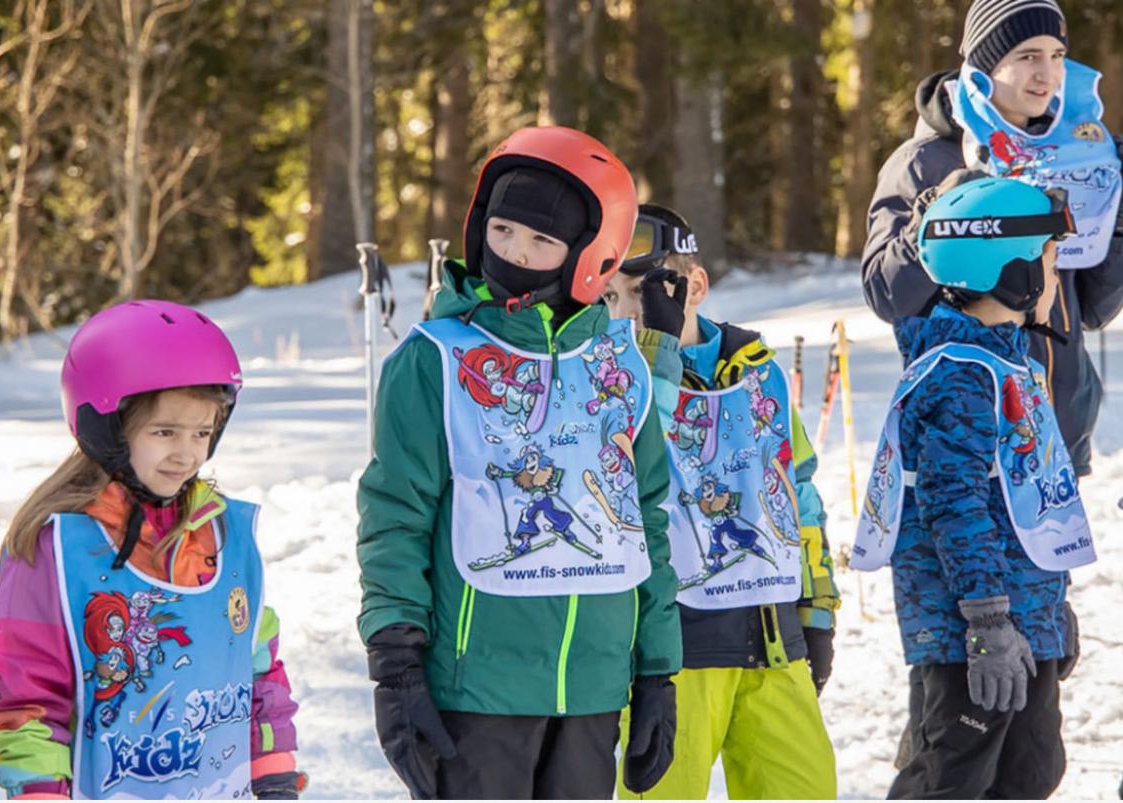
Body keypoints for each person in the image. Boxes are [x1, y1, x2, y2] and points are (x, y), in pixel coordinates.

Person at [356, 127, 682, 799]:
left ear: (589, 257)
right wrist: (396, 664)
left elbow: (647, 518)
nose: (515, 254)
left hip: (593, 686)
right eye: (503, 230)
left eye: (542, 242)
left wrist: (657, 670)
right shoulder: (434, 359)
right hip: (478, 688)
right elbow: (395, 514)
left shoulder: (619, 368)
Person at [860, 0, 1114, 766]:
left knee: (1030, 708)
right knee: (964, 695)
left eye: (1054, 55)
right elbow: (883, 288)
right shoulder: (927, 159)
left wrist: (1110, 211)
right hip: (965, 423)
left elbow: (1093, 303)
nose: (1045, 73)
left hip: (1046, 429)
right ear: (983, 66)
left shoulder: (1078, 147)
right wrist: (956, 213)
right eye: (1025, 55)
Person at [0, 301, 304, 800]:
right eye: (164, 432)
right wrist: (39, 791)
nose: (187, 453)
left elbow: (257, 668)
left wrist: (274, 767)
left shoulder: (224, 537)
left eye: (202, 432)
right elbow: (27, 699)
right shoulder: (60, 550)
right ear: (107, 428)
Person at [853, 176, 1096, 798]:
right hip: (973, 632)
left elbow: (1025, 504)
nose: (1056, 275)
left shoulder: (1008, 363)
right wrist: (987, 620)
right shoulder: (958, 376)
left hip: (1022, 618)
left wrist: (1048, 611)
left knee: (1030, 774)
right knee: (954, 777)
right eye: (1049, 258)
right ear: (1009, 271)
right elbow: (953, 505)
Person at [602, 204, 839, 799]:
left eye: (643, 291)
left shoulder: (756, 371)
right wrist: (654, 356)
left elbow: (797, 490)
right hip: (673, 652)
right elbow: (628, 463)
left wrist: (817, 606)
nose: (629, 311)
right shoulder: (611, 377)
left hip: (771, 641)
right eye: (611, 297)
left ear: (694, 286)